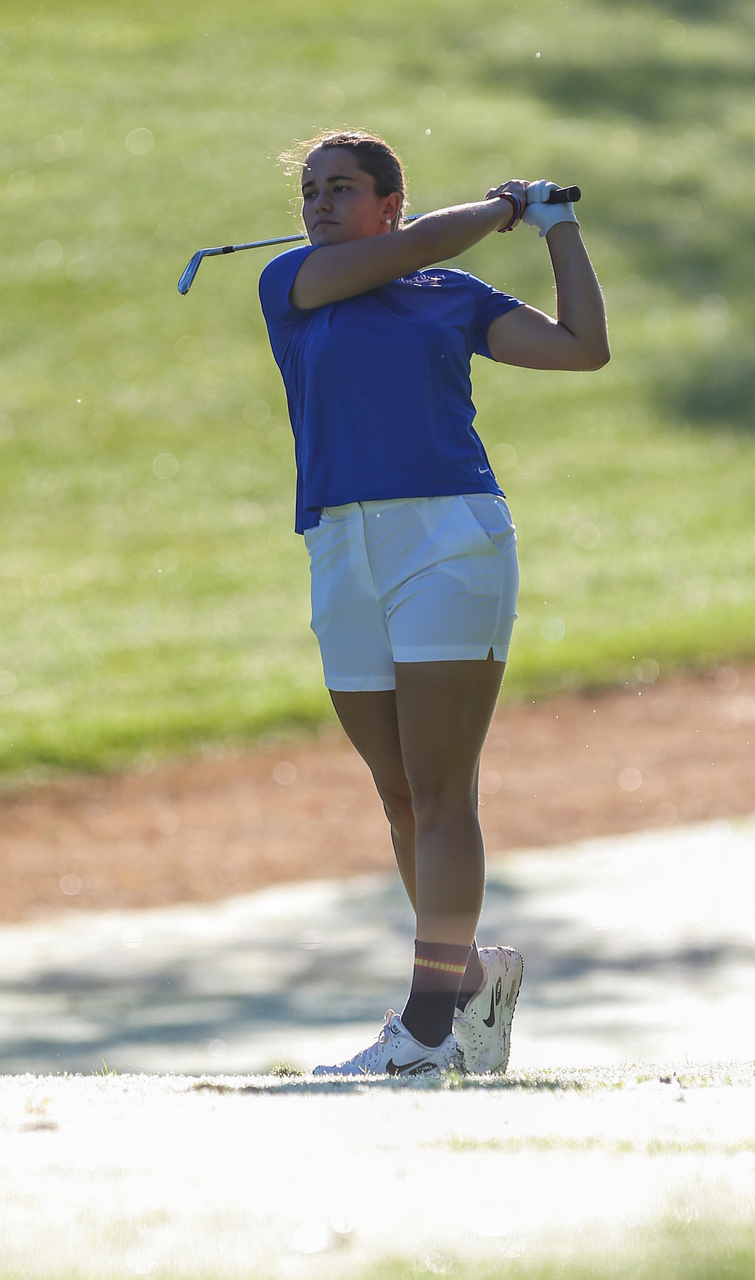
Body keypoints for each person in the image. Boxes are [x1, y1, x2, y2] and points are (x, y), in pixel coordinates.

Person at [258, 130, 609, 1077]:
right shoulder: (292, 284)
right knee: (400, 793)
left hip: (450, 538)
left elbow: (582, 349)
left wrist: (554, 227)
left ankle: (422, 1032)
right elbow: (417, 249)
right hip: (338, 543)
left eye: (342, 189)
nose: (320, 205)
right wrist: (496, 210)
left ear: (388, 203)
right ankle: (465, 991)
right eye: (310, 191)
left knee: (442, 783)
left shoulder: (450, 295)